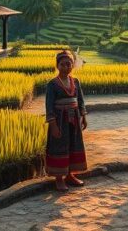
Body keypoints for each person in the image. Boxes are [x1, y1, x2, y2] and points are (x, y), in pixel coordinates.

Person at [45, 49, 88, 191]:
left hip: (74, 119)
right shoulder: (52, 84)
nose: (66, 67)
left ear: (73, 65)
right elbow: (49, 106)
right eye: (63, 64)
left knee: (73, 145)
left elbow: (80, 100)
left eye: (69, 64)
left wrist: (83, 116)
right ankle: (59, 178)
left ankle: (70, 174)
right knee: (59, 146)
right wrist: (54, 125)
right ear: (57, 66)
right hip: (60, 120)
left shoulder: (75, 81)